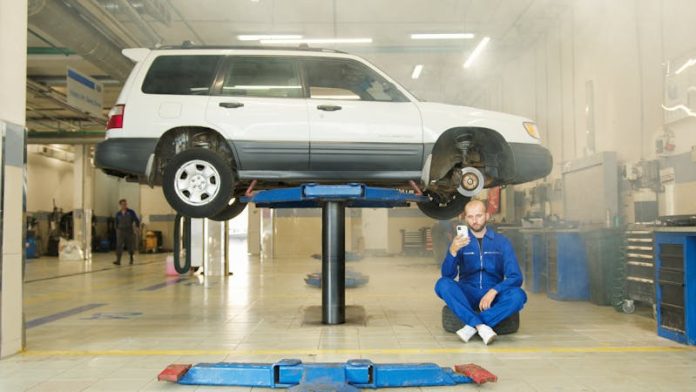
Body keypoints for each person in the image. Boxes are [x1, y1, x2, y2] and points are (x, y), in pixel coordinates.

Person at [434, 199, 526, 345]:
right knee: (442, 284)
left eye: (479, 216)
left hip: (493, 293)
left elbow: (516, 277)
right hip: (468, 292)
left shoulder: (502, 242)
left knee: (518, 296)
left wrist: (495, 290)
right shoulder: (460, 242)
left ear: (487, 216)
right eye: (470, 217)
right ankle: (480, 326)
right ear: (465, 218)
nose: (474, 221)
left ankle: (471, 326)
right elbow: (447, 276)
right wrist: (452, 252)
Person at [113, 199, 140, 265]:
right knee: (119, 245)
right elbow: (116, 222)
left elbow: (136, 220)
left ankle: (131, 258)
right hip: (120, 231)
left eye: (125, 204)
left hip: (129, 231)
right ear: (120, 205)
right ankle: (118, 260)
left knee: (130, 245)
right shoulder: (118, 214)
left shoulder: (131, 212)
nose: (124, 205)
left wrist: (137, 227)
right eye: (122, 204)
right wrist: (116, 229)